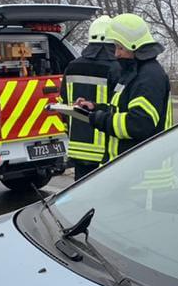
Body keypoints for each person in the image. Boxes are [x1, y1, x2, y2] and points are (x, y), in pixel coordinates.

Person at [75, 13, 172, 164]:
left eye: (120, 48)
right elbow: (122, 110)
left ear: (133, 46)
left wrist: (100, 119)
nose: (116, 54)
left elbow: (138, 124)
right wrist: (94, 107)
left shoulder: (149, 77)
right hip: (130, 169)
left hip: (144, 176)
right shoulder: (134, 72)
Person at [61, 15, 120, 180]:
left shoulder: (72, 66)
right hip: (105, 148)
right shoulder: (117, 68)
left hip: (78, 146)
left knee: (81, 197)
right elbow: (119, 107)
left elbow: (63, 104)